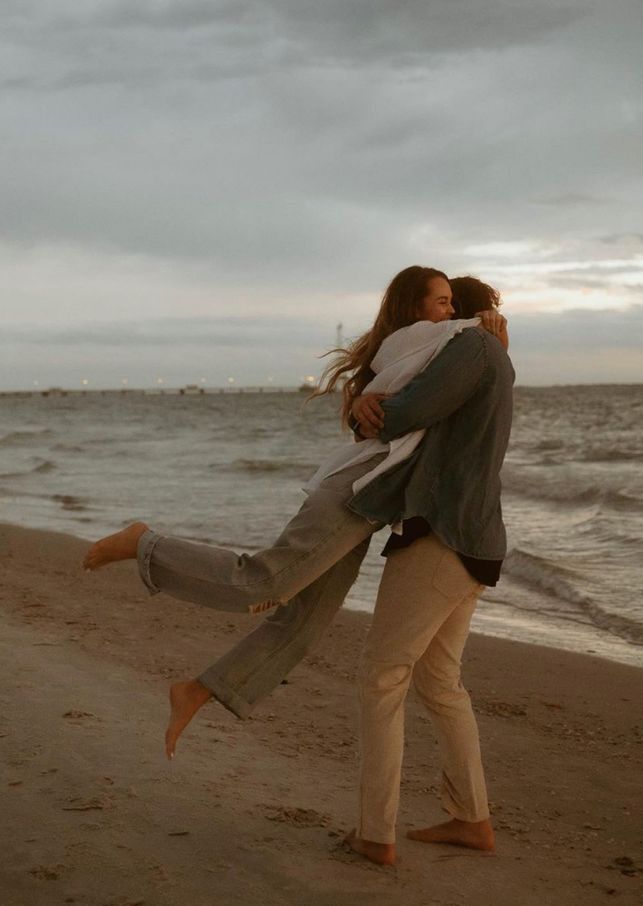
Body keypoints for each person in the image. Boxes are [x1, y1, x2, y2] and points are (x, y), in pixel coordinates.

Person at [82, 267, 507, 760]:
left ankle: (199, 690)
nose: (450, 313)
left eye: (456, 306)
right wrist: (484, 327)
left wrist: (366, 406)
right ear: (418, 308)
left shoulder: (433, 350)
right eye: (443, 303)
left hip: (372, 498)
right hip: (355, 490)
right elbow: (398, 415)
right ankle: (144, 543)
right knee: (264, 581)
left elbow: (432, 409)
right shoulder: (438, 345)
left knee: (307, 617)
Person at [344, 275, 514, 866]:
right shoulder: (487, 352)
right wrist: (362, 405)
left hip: (443, 534)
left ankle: (375, 833)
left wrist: (368, 410)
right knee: (440, 682)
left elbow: (401, 417)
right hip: (476, 537)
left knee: (381, 675)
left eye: (446, 306)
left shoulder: (470, 348)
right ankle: (472, 820)